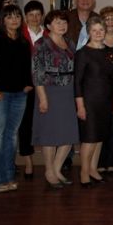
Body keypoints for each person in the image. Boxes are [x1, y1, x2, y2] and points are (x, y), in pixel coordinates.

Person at [0, 4, 33, 193]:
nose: (14, 20)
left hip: (19, 94)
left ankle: (9, 176)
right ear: (3, 20)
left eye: (17, 16)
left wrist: (28, 84)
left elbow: (26, 67)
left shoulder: (23, 42)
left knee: (11, 136)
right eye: (10, 16)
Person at [31, 10, 78, 189]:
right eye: (58, 22)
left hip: (68, 91)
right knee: (49, 134)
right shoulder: (41, 44)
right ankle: (49, 171)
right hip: (49, 91)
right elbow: (37, 73)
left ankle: (57, 169)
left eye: (64, 22)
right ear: (48, 25)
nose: (62, 25)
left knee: (69, 133)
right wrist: (42, 98)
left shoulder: (70, 43)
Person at [74, 16, 113, 187]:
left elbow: (112, 78)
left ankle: (93, 169)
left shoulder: (109, 52)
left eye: (101, 30)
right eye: (94, 30)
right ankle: (84, 173)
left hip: (106, 101)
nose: (98, 33)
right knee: (89, 138)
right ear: (89, 32)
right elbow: (77, 82)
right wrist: (80, 106)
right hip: (89, 102)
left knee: (100, 137)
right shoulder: (82, 53)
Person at [19, 0, 45, 179]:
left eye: (38, 14)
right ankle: (28, 161)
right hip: (26, 86)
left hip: (46, 85)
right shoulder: (19, 34)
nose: (35, 18)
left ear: (42, 16)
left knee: (46, 122)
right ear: (25, 17)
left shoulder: (49, 34)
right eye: (31, 15)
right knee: (25, 124)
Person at [98, 6, 113, 175]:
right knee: (102, 126)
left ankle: (111, 161)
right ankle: (100, 162)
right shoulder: (96, 42)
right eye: (106, 19)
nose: (110, 22)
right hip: (100, 90)